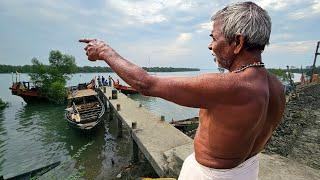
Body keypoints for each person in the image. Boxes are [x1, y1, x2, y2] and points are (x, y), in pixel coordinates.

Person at [79, 2, 285, 179]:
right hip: (247, 171)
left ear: (238, 42)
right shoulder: (276, 87)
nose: (210, 45)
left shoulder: (228, 87)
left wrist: (104, 51)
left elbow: (146, 84)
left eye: (214, 38)